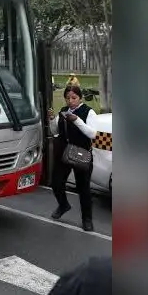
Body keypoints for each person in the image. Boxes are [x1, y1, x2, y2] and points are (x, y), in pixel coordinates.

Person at [48, 84, 98, 231]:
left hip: (81, 153)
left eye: (74, 98)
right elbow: (55, 131)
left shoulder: (89, 112)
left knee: (83, 188)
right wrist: (52, 120)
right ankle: (63, 205)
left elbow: (92, 134)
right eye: (67, 98)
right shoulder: (63, 111)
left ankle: (87, 219)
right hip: (65, 153)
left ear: (80, 97)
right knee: (56, 182)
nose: (70, 101)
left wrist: (76, 120)